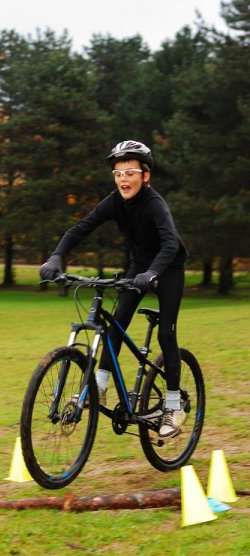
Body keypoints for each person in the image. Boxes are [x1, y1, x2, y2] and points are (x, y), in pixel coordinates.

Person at [40, 140, 188, 438]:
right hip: (139, 267)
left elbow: (170, 243)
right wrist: (56, 256)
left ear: (145, 176)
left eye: (130, 172)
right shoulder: (113, 202)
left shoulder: (154, 204)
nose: (123, 179)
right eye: (118, 173)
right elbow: (80, 228)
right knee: (115, 326)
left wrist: (153, 273)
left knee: (165, 333)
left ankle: (174, 406)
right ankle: (100, 388)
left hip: (168, 268)